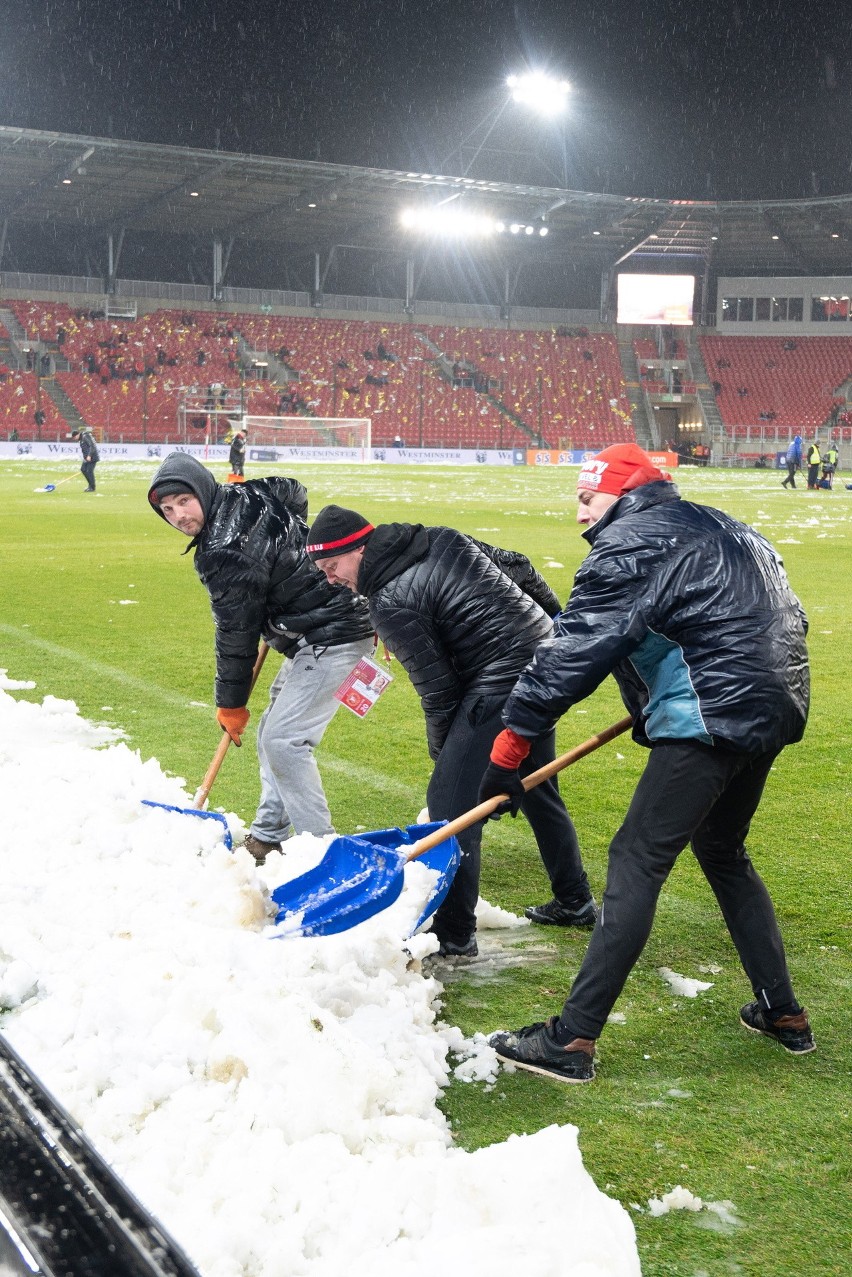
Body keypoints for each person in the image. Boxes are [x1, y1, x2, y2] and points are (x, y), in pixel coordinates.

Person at [479, 443, 813, 1083]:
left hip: (711, 714)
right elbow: (752, 620)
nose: (580, 517)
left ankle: (571, 1039)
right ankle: (782, 1012)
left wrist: (510, 747)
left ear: (620, 493)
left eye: (586, 499)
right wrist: (656, 700)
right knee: (722, 850)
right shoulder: (721, 524)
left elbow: (578, 648)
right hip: (771, 706)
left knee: (635, 859)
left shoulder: (632, 541)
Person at [305, 505, 596, 960]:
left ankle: (455, 935)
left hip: (504, 679)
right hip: (545, 663)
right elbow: (520, 565)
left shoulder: (389, 601)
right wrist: (555, 627)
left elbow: (439, 691)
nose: (330, 579)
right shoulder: (438, 535)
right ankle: (574, 899)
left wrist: (447, 755)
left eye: (333, 567)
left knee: (452, 808)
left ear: (359, 549)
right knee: (536, 784)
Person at [147, 455, 375, 863]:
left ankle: (321, 850)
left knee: (283, 740)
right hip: (315, 632)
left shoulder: (222, 550)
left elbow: (236, 632)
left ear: (201, 490)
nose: (178, 515)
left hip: (337, 634)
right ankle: (269, 835)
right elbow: (294, 490)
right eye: (167, 509)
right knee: (273, 730)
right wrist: (286, 547)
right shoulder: (249, 492)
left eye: (184, 501)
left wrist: (230, 703)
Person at [71, 425, 99, 492]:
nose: (75, 439)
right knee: (83, 469)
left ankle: (92, 487)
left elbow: (92, 446)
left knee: (89, 471)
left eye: (74, 437)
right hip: (86, 458)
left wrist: (89, 455)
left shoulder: (85, 436)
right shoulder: (81, 439)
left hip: (92, 457)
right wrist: (85, 457)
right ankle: (90, 485)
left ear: (77, 435)